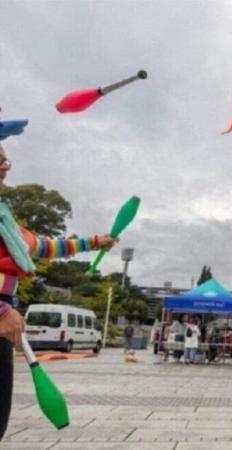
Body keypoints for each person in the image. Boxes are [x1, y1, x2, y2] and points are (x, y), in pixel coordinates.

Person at [0, 139, 116, 442]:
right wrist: (2, 311)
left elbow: (45, 246)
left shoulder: (5, 219)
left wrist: (94, 242)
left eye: (6, 161)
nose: (4, 167)